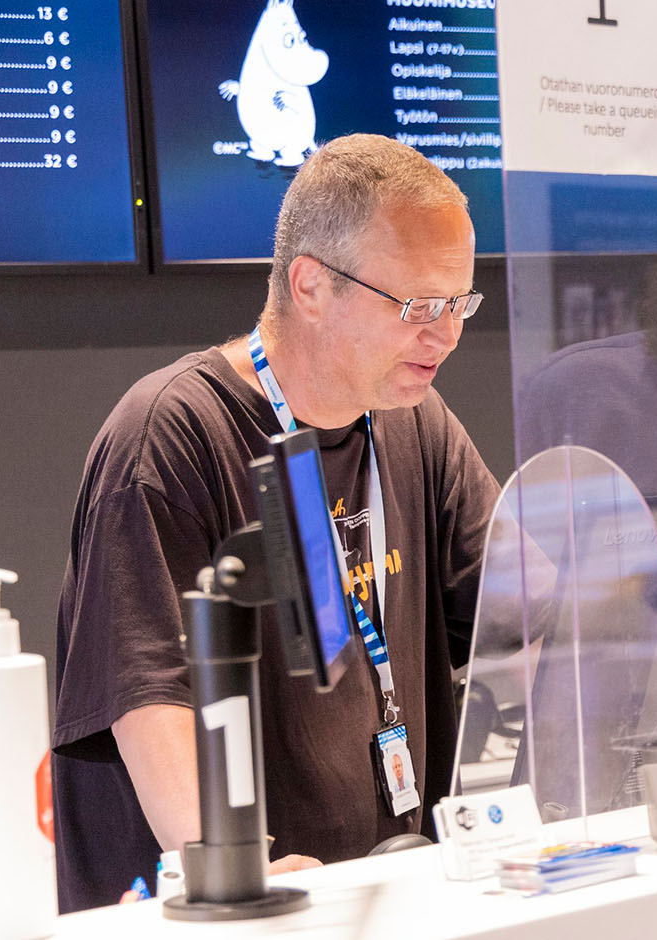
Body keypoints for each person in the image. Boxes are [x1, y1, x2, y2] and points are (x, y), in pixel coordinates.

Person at [49, 134, 503, 912]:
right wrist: (242, 876)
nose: (447, 333)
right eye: (420, 306)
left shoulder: (414, 422)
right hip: (233, 913)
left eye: (460, 303)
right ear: (312, 286)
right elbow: (144, 697)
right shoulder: (168, 435)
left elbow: (517, 606)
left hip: (380, 897)